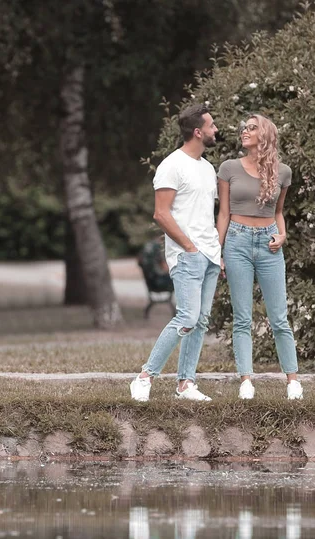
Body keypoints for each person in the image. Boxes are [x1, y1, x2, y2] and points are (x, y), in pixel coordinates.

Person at [130, 104, 220, 402]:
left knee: (201, 320)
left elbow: (206, 215)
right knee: (187, 317)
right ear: (198, 132)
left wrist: (214, 253)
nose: (216, 130)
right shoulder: (172, 165)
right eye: (211, 125)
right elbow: (161, 214)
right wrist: (190, 247)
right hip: (187, 256)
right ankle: (145, 376)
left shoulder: (207, 168)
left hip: (209, 255)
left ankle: (185, 384)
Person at [216, 114, 303, 400]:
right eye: (244, 128)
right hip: (237, 242)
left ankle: (292, 382)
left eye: (252, 128)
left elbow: (279, 212)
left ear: (265, 135)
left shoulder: (283, 172)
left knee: (279, 317)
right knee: (242, 317)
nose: (245, 131)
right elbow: (224, 213)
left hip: (269, 245)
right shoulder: (229, 168)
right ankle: (246, 381)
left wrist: (283, 235)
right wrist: (218, 252)